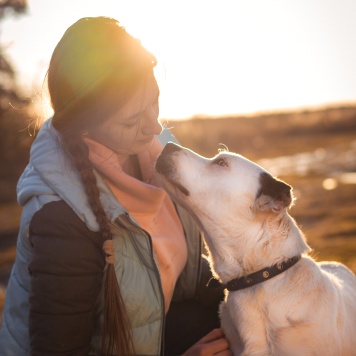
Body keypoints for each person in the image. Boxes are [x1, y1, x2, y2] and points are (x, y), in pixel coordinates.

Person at [0, 17, 232, 355]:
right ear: (84, 128)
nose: (155, 126)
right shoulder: (61, 220)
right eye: (131, 120)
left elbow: (181, 275)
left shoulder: (151, 150)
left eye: (154, 100)